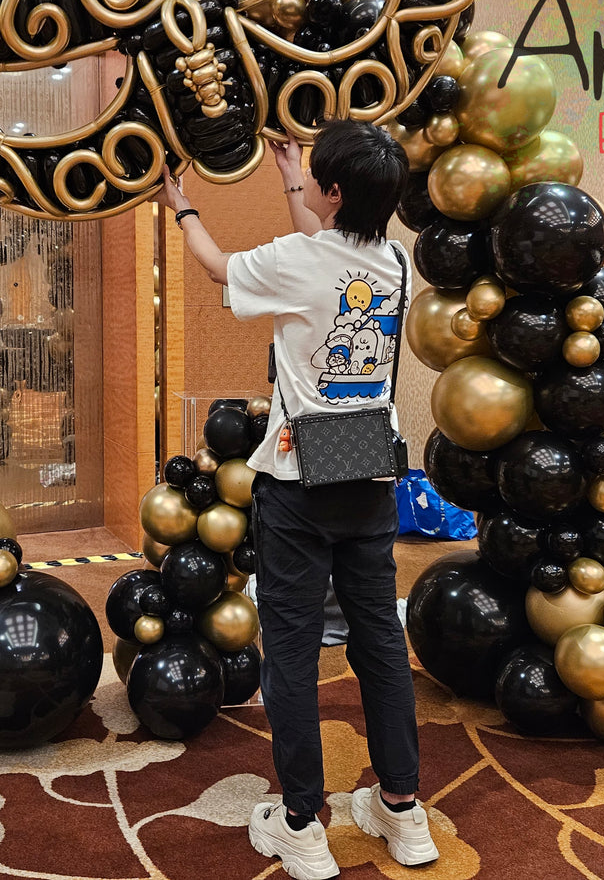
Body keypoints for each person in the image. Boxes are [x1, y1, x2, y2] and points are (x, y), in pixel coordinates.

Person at [161, 120, 437, 880]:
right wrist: (289, 173)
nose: (309, 181)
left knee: (287, 650)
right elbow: (323, 248)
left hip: (295, 479)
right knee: (378, 643)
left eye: (316, 174)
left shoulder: (296, 260)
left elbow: (220, 268)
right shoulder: (394, 261)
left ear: (338, 190)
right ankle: (403, 809)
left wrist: (178, 205)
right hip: (369, 472)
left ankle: (301, 822)